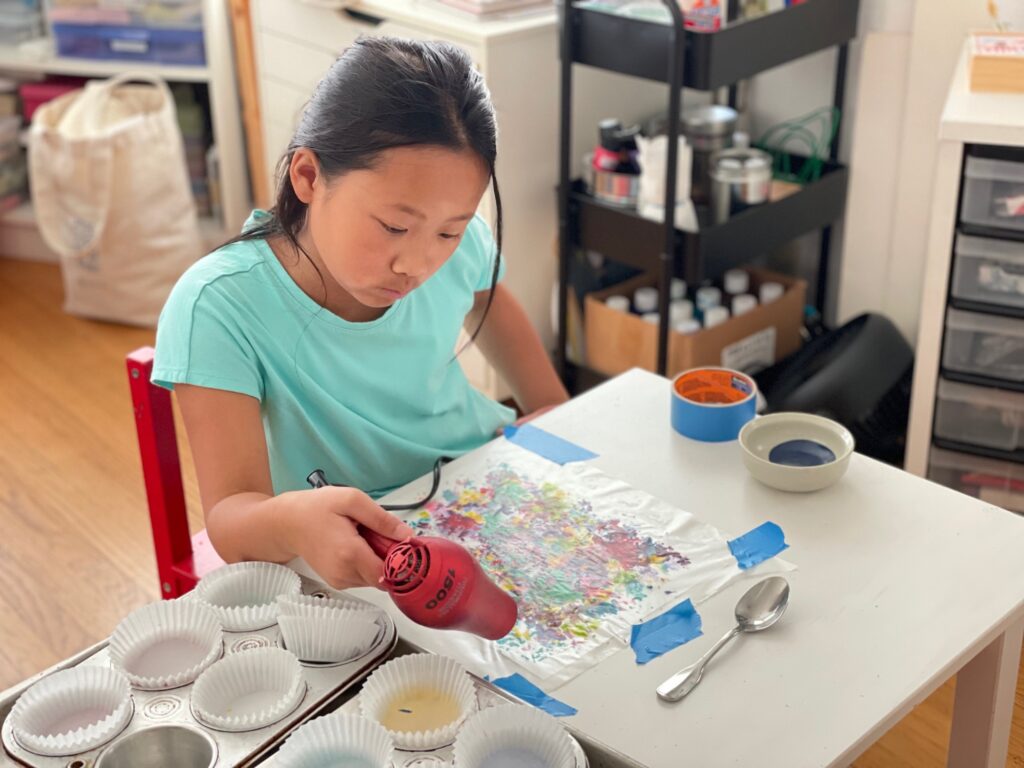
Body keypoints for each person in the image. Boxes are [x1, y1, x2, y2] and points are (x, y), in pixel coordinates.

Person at [153, 36, 567, 591]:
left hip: (484, 485)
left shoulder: (460, 250)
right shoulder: (219, 305)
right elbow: (231, 518)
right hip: (357, 547)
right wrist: (295, 522)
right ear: (307, 177)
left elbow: (526, 364)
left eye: (449, 230)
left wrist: (556, 416)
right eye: (394, 226)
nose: (417, 263)